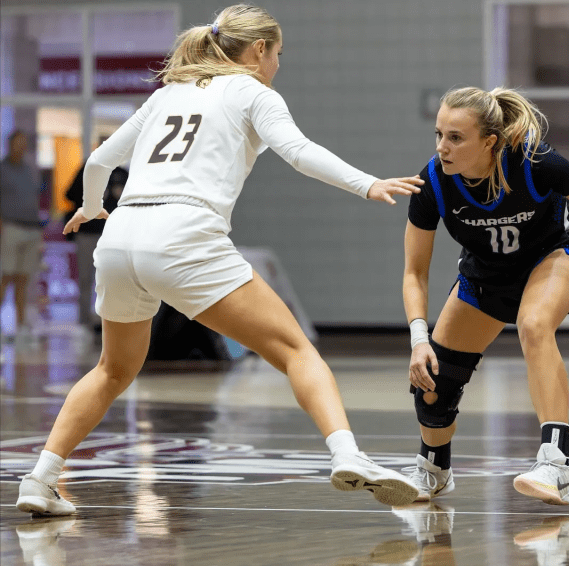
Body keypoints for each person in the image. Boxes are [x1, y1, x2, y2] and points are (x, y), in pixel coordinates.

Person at [16, 3, 425, 517]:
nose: (278, 64)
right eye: (278, 54)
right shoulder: (254, 91)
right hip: (183, 233)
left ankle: (40, 479)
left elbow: (98, 160)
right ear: (258, 51)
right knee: (297, 351)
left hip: (120, 236)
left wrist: (94, 207)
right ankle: (348, 455)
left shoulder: (167, 93)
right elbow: (298, 152)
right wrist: (368, 183)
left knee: (112, 369)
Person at [402, 86, 569, 505]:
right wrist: (419, 338)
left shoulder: (533, 161)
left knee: (534, 326)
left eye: (456, 137)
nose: (442, 146)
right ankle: (434, 468)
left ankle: (556, 464)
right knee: (433, 384)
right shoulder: (434, 184)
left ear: (489, 142)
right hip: (486, 273)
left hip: (552, 257)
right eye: (439, 134)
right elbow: (414, 273)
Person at [65, 163, 128, 333]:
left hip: (112, 235)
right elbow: (69, 194)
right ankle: (84, 322)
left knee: (112, 280)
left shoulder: (121, 173)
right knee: (85, 279)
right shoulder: (89, 168)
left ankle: (110, 320)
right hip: (86, 233)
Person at [0, 130, 44, 342]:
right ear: (10, 145)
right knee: (6, 277)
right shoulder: (2, 169)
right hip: (11, 228)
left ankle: (21, 326)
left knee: (23, 279)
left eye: (24, 143)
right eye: (18, 143)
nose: (21, 147)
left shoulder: (28, 170)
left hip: (31, 228)